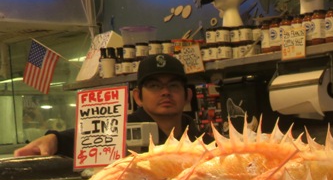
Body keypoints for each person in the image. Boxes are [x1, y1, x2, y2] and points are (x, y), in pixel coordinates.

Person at [14, 54, 202, 158]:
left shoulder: (204, 140)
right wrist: (54, 139)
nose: (165, 92)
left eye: (174, 85)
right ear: (137, 97)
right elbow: (87, 137)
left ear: (188, 95)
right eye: (154, 86)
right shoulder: (118, 129)